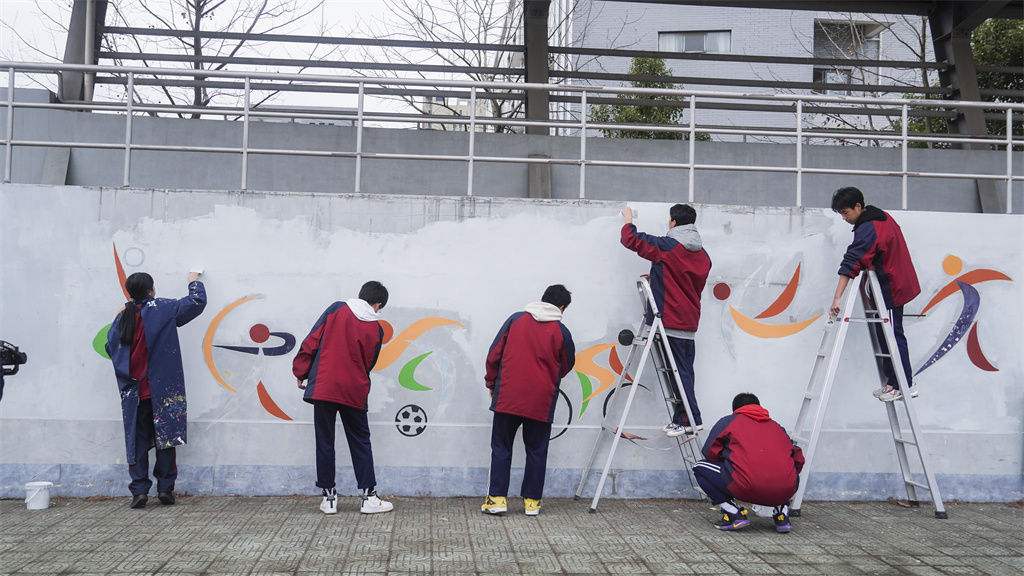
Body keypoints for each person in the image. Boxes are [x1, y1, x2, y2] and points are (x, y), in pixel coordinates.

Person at [105, 271, 207, 509]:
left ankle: (139, 491)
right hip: (164, 392)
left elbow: (111, 347)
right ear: (152, 289)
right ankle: (165, 489)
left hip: (135, 394)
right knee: (166, 441)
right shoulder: (162, 308)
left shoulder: (123, 316)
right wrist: (193, 281)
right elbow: (196, 302)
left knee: (138, 443)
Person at [293, 280, 394, 515]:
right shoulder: (376, 328)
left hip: (325, 386)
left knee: (325, 441)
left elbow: (312, 340)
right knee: (360, 440)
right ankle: (368, 496)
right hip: (354, 390)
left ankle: (329, 498)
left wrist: (301, 371)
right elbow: (370, 362)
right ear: (378, 304)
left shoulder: (337, 309)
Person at [481, 285, 575, 516]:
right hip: (540, 401)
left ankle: (497, 499)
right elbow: (567, 364)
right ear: (562, 308)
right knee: (536, 449)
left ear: (541, 298)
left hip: (508, 396)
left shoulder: (515, 320)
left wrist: (492, 384)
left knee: (501, 447)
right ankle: (532, 502)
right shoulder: (561, 331)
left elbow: (494, 354)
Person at [620, 204, 712, 436]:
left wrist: (628, 219)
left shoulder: (668, 246)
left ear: (673, 222)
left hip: (668, 319)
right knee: (683, 372)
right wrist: (657, 277)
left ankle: (691, 418)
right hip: (688, 320)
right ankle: (686, 418)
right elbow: (683, 279)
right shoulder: (703, 255)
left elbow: (631, 239)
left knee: (678, 374)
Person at [830, 187, 921, 402]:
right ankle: (893, 382)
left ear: (858, 207)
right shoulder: (879, 217)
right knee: (886, 334)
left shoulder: (870, 226)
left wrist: (837, 297)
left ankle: (905, 385)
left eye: (846, 213)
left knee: (893, 335)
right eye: (841, 214)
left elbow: (853, 260)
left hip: (892, 285)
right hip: (892, 281)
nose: (844, 218)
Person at [692, 393, 804, 532]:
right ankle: (782, 515)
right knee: (788, 472)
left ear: (735, 410)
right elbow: (798, 459)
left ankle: (733, 513)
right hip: (784, 490)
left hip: (744, 486)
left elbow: (710, 452)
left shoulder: (728, 422)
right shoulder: (777, 427)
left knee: (699, 467)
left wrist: (731, 461)